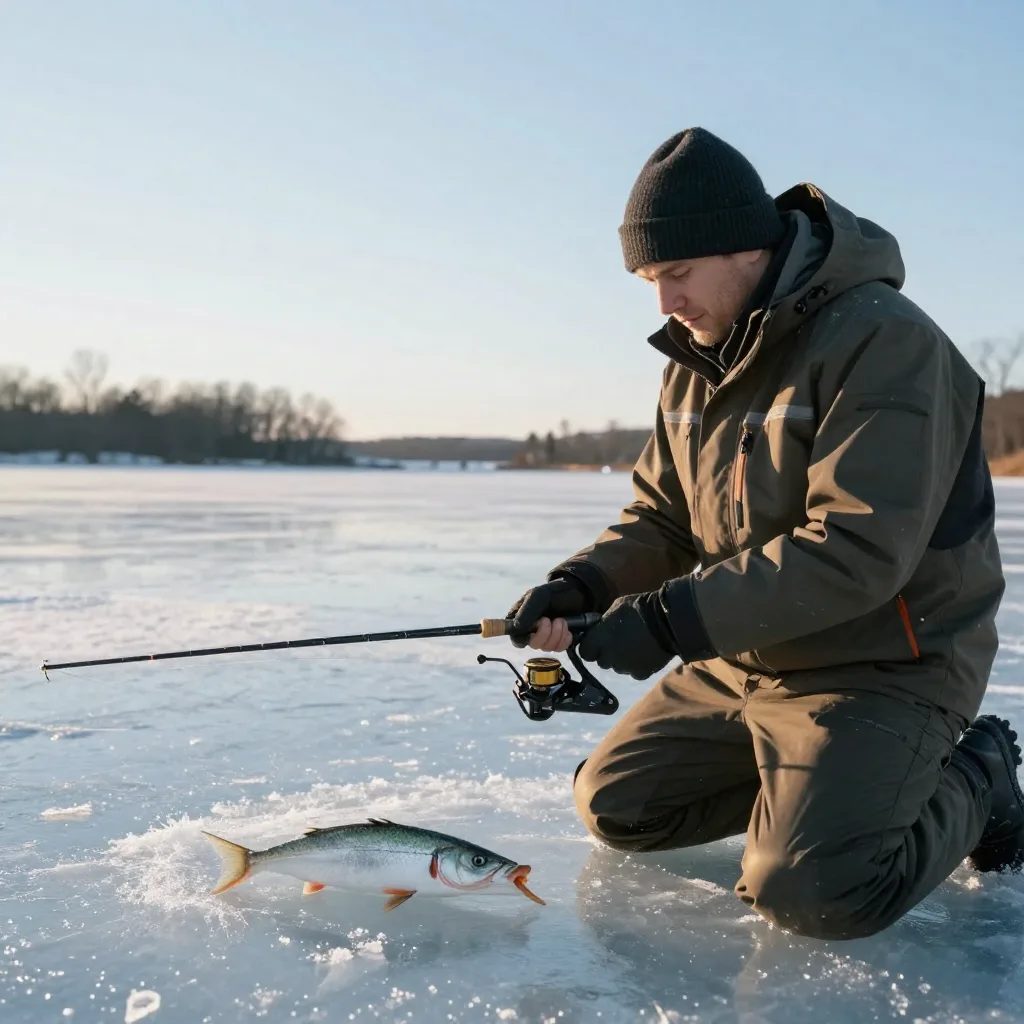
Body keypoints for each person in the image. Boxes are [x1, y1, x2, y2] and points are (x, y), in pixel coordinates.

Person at [507, 127, 1019, 940]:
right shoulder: (695, 360)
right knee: (619, 807)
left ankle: (975, 778)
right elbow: (663, 517)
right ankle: (823, 796)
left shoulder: (885, 342)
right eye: (649, 280)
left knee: (815, 890)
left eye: (677, 272)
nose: (664, 303)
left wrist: (669, 621)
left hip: (885, 663)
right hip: (749, 656)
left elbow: (856, 549)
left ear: (745, 246)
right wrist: (586, 582)